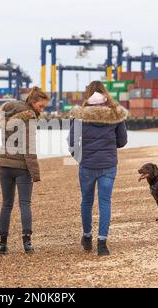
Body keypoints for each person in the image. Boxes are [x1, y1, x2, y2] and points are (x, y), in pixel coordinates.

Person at [68, 81, 128, 256]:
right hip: (108, 166)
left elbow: (72, 143)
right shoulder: (115, 115)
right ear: (106, 94)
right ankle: (102, 243)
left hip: (86, 165)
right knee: (105, 203)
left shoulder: (79, 116)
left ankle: (87, 237)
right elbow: (122, 142)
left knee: (86, 201)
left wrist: (80, 158)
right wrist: (108, 147)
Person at [0, 87, 50, 255]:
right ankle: (27, 242)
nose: (42, 109)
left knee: (6, 205)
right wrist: (35, 172)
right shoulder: (29, 118)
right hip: (21, 167)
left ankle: (3, 243)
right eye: (41, 106)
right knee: (25, 204)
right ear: (33, 103)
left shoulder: (7, 114)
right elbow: (29, 147)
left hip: (4, 165)